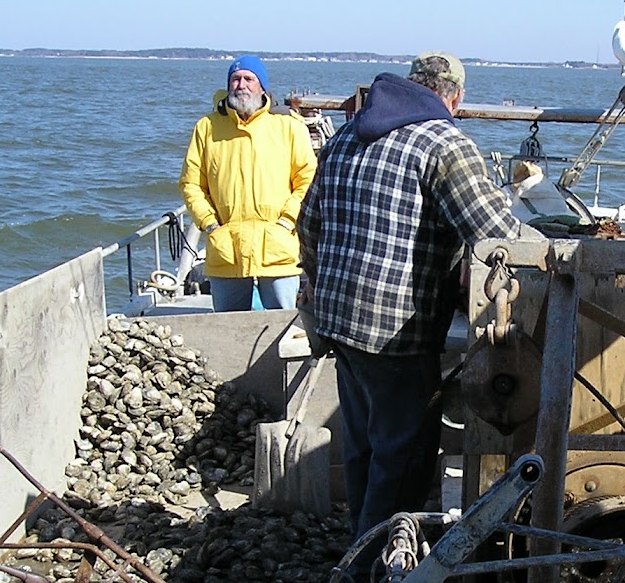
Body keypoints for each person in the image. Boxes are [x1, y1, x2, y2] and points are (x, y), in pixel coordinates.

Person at [298, 52, 519, 541]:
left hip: (339, 324)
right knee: (402, 463)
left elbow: (308, 225)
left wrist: (322, 287)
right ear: (454, 98)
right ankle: (376, 582)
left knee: (364, 450)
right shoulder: (444, 143)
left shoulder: (347, 134)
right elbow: (501, 238)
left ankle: (358, 547)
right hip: (398, 335)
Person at [179, 54, 317, 311]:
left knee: (283, 328)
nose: (241, 85)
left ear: (262, 86)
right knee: (229, 332)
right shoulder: (207, 128)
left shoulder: (289, 126)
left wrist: (287, 221)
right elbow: (191, 183)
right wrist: (210, 224)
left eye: (248, 79)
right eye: (235, 79)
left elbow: (307, 179)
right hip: (225, 252)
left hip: (277, 249)